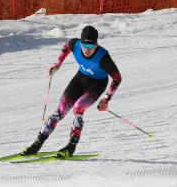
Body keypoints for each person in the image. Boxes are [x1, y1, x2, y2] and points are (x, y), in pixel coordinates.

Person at [22, 25, 122, 157]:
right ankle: (37, 144)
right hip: (79, 80)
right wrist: (57, 64)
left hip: (96, 85)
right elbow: (66, 47)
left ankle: (71, 146)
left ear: (96, 45)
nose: (87, 50)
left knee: (78, 107)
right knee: (60, 112)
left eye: (91, 47)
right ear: (80, 43)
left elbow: (117, 78)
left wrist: (106, 98)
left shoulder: (103, 57)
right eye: (84, 46)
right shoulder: (74, 43)